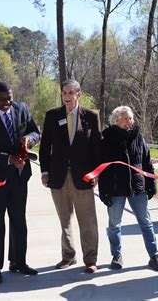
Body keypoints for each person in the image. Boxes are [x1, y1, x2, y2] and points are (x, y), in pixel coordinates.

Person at [0, 81, 40, 284]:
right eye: (2, 100)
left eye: (9, 98)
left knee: (19, 221)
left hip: (20, 177)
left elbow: (36, 131)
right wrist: (8, 158)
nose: (7, 103)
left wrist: (29, 139)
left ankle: (19, 261)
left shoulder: (21, 108)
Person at [38, 79, 101, 273]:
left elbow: (97, 148)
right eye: (64, 93)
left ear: (78, 94)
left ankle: (90, 259)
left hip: (83, 177)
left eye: (70, 93)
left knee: (87, 221)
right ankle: (68, 256)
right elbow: (45, 146)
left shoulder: (91, 116)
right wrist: (45, 171)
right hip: (58, 176)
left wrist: (96, 173)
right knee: (64, 220)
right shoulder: (52, 116)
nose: (66, 96)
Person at [98, 106, 158, 271]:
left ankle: (154, 256)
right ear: (116, 120)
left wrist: (151, 185)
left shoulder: (138, 136)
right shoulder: (106, 138)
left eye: (131, 118)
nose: (130, 122)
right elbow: (102, 167)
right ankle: (116, 255)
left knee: (146, 222)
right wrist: (103, 190)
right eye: (126, 118)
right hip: (115, 188)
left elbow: (147, 162)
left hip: (137, 187)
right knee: (114, 224)